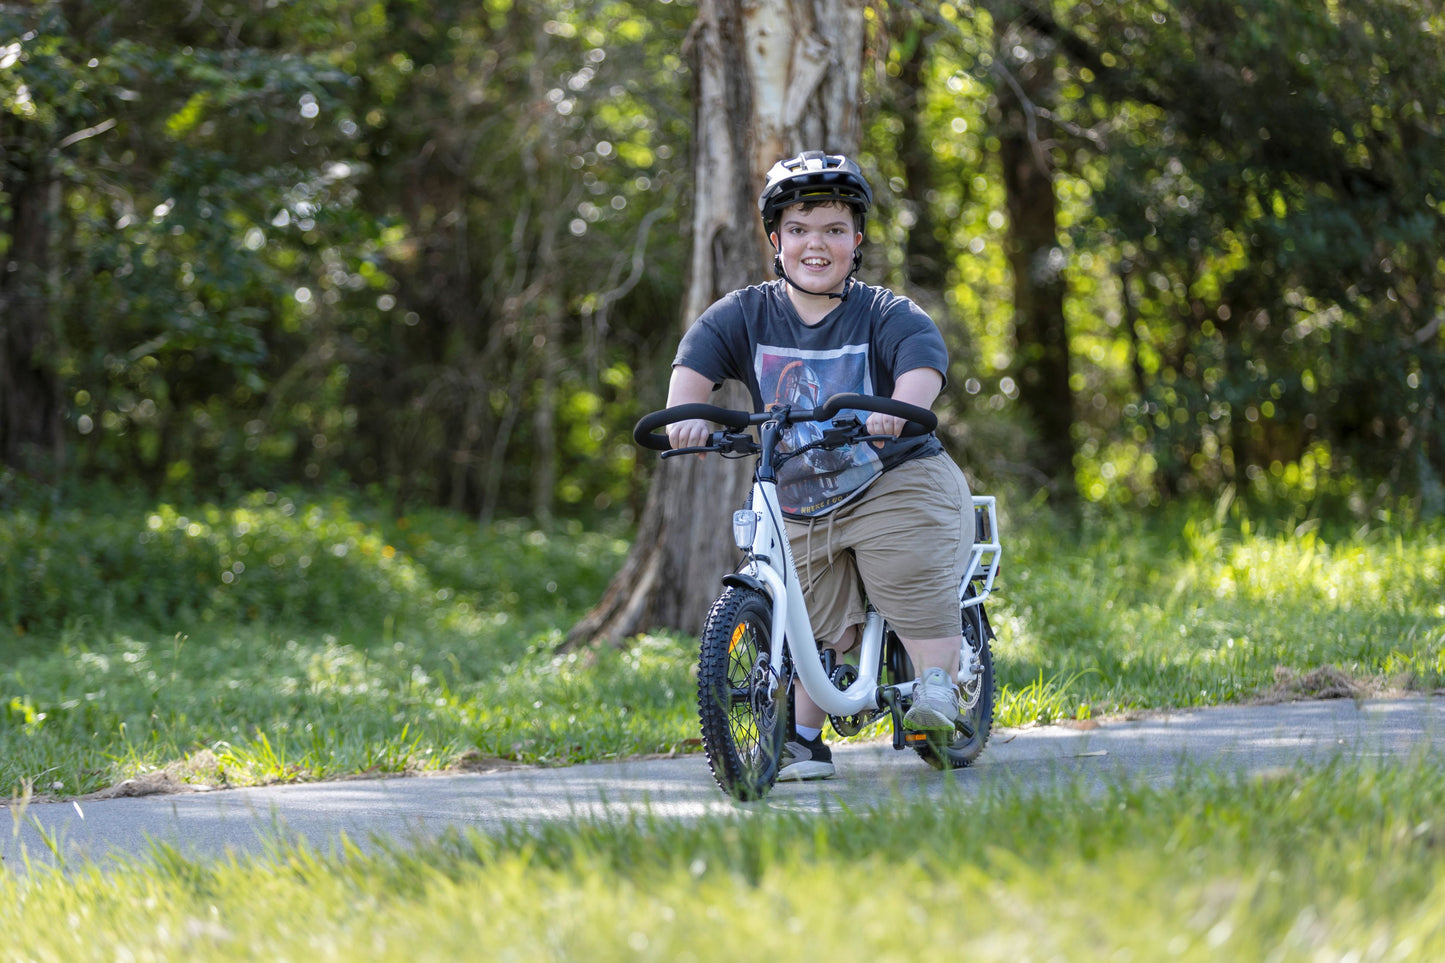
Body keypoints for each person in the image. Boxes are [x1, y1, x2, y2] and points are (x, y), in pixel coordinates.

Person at [665, 150, 975, 781]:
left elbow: (922, 365)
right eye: (800, 230)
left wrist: (900, 408)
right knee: (807, 616)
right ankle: (803, 739)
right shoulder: (742, 314)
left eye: (834, 230)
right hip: (800, 490)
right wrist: (687, 416)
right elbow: (690, 375)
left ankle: (937, 684)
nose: (817, 244)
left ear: (855, 242)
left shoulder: (884, 311)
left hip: (894, 475)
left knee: (906, 568)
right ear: (776, 242)